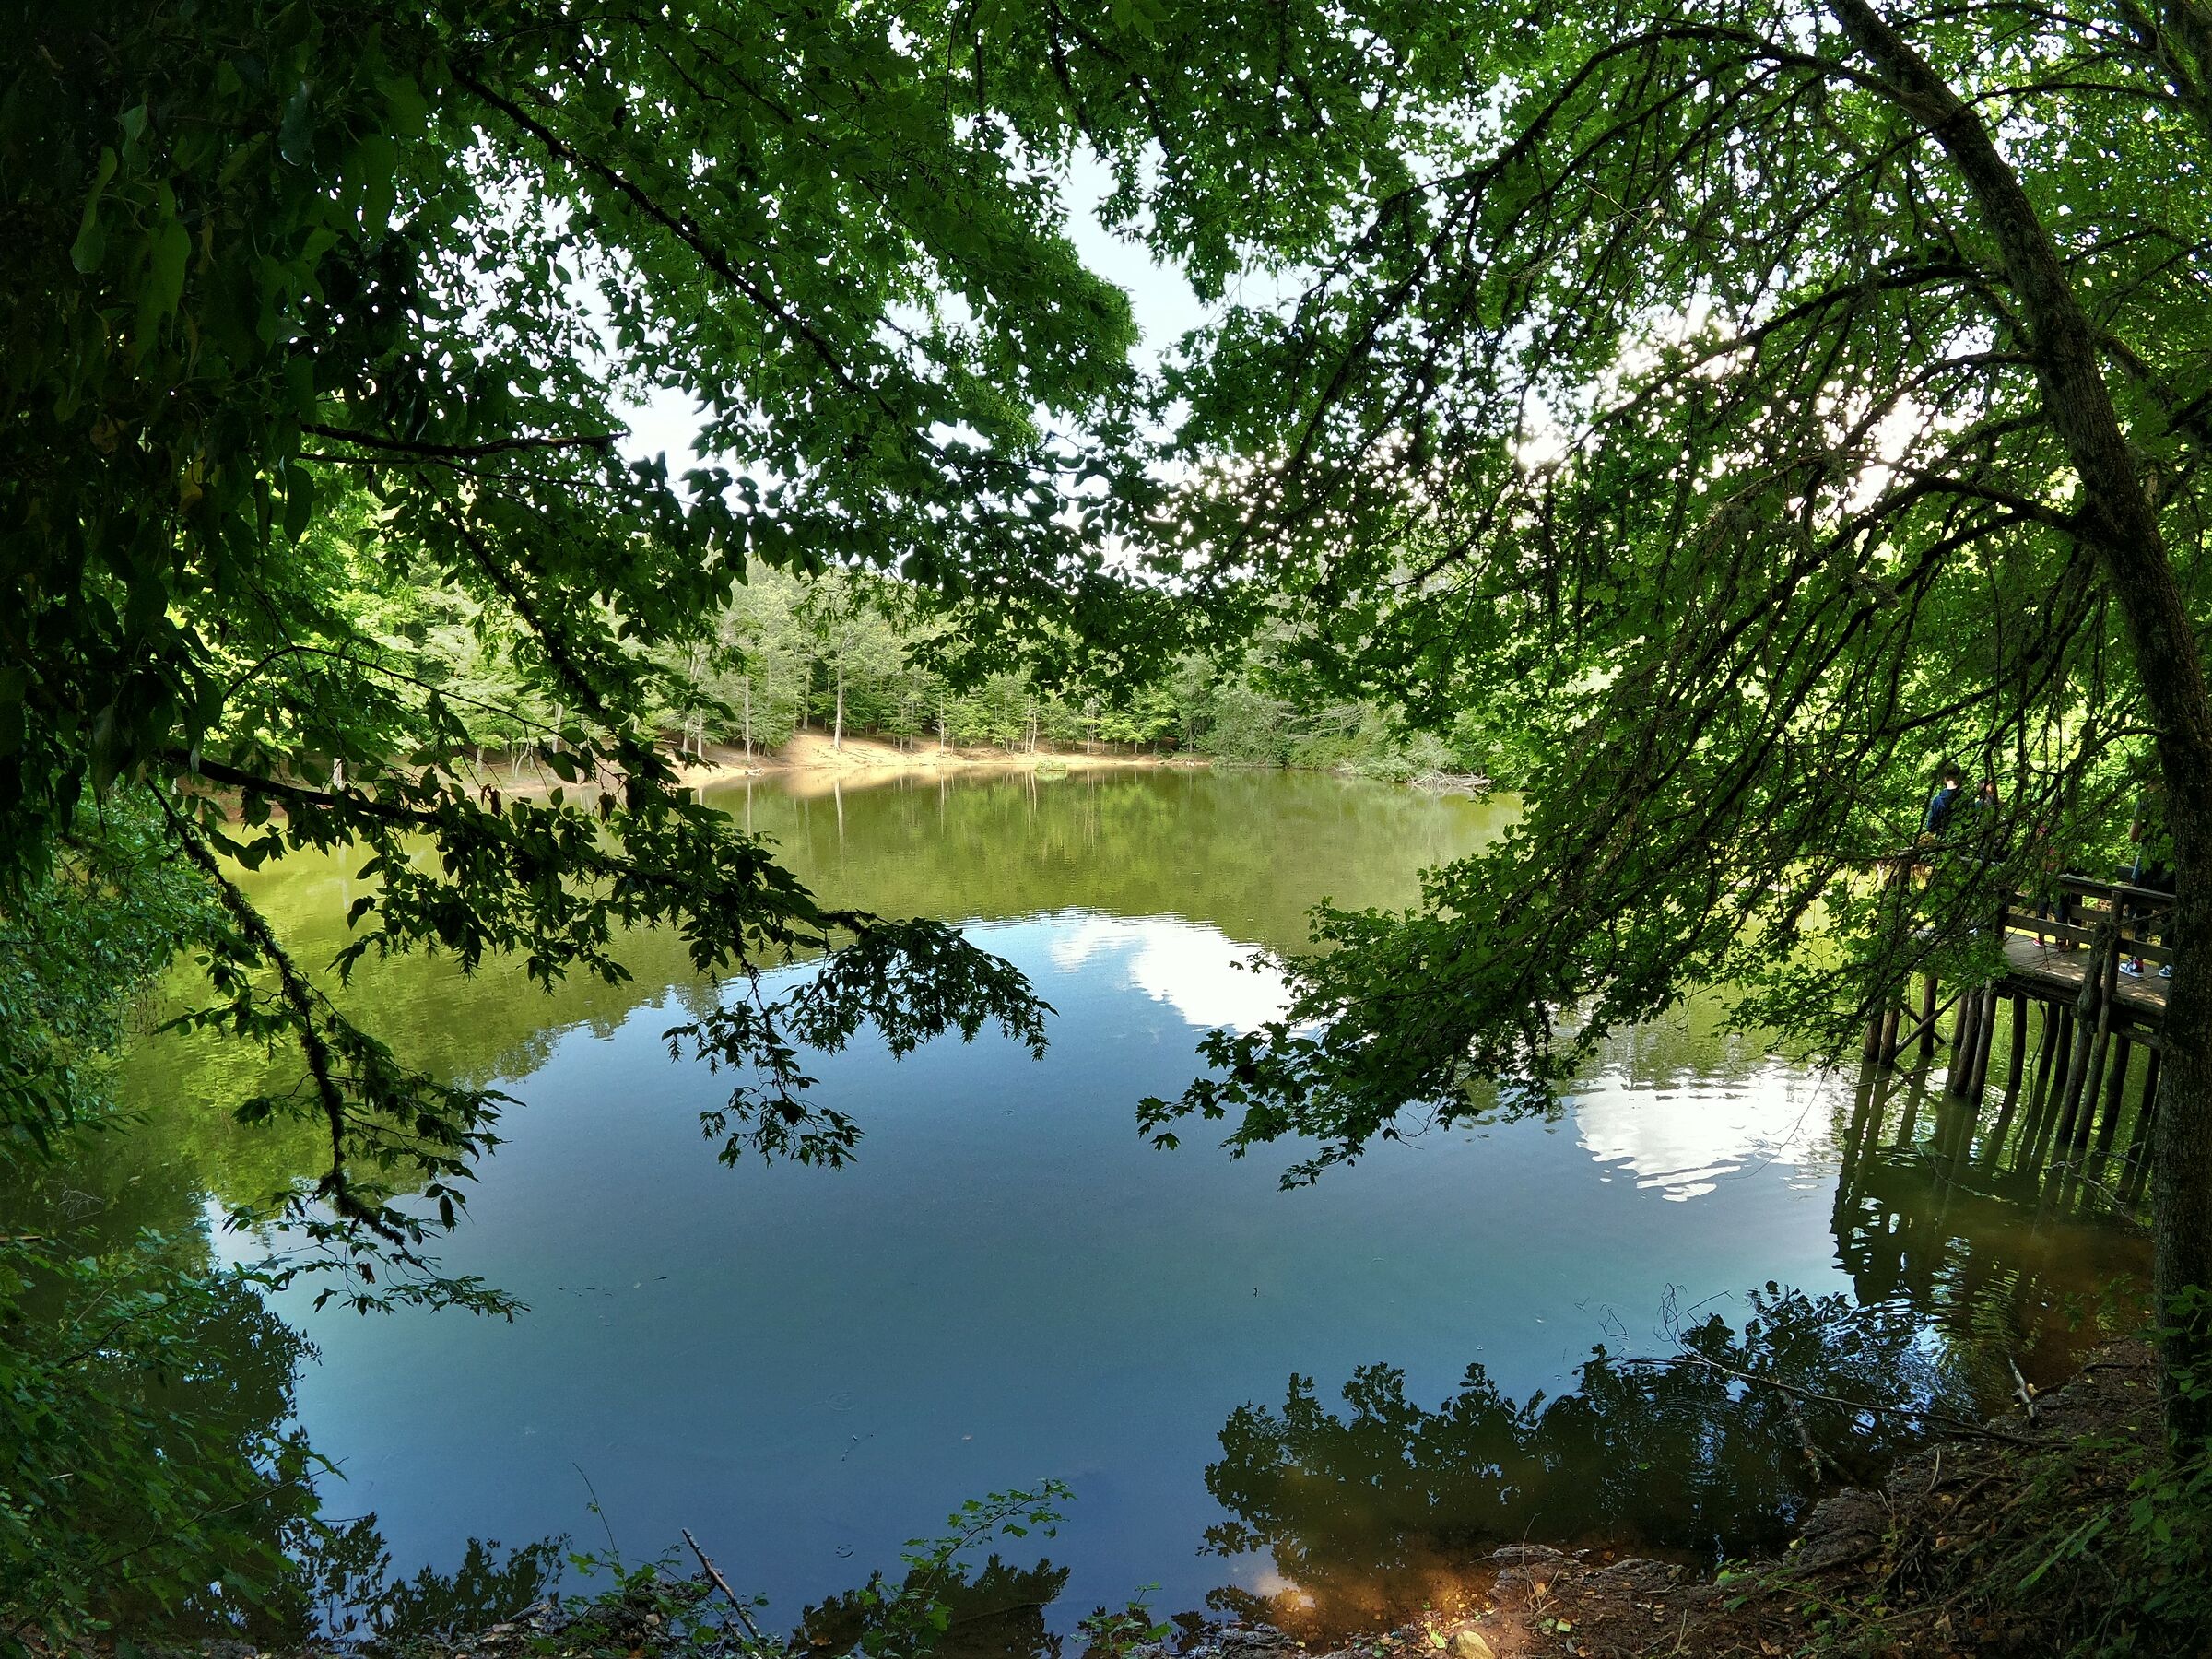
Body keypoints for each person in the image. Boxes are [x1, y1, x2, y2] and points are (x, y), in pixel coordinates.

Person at [1921, 762, 1964, 841]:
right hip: (1964, 840)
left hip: (1944, 841)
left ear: (1944, 778)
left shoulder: (1937, 800)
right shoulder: (1967, 797)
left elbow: (1930, 827)